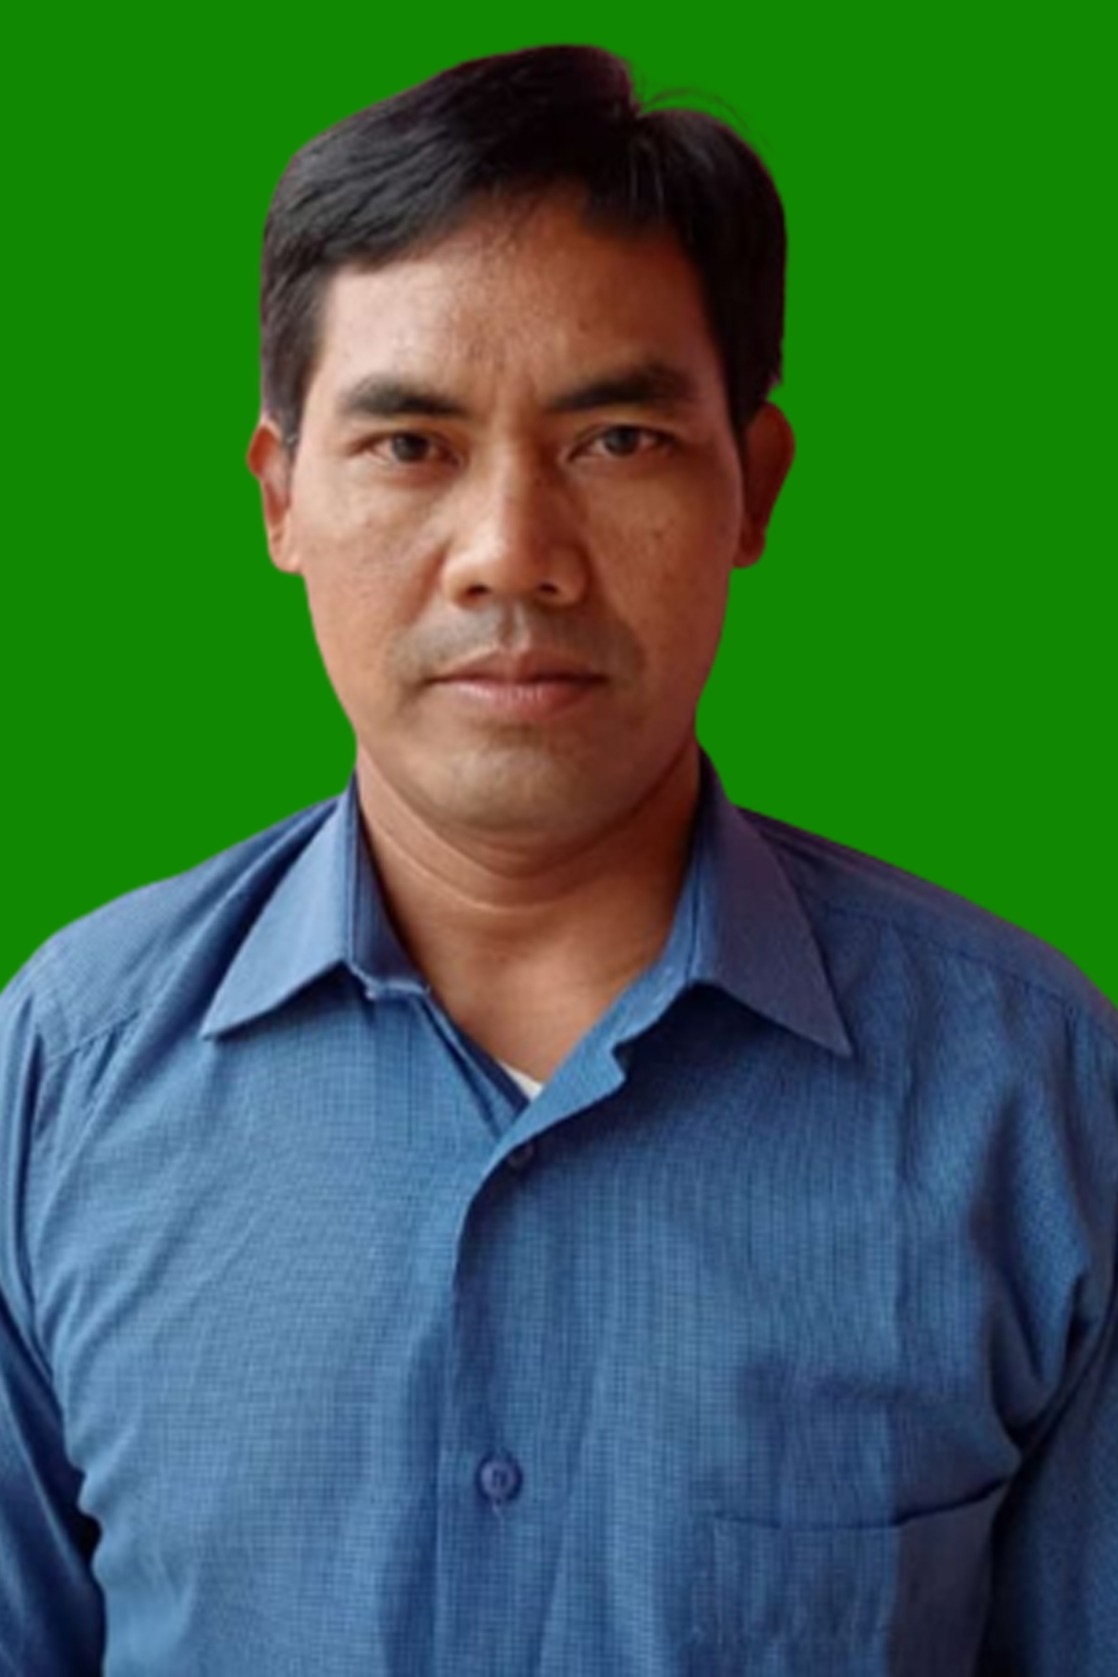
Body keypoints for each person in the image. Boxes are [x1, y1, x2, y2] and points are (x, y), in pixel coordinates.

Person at [1, 43, 1114, 1677]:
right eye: (409, 444)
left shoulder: (1031, 1098)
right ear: (279, 495)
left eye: (618, 439)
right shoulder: (63, 1070)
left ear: (753, 486)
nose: (512, 553)